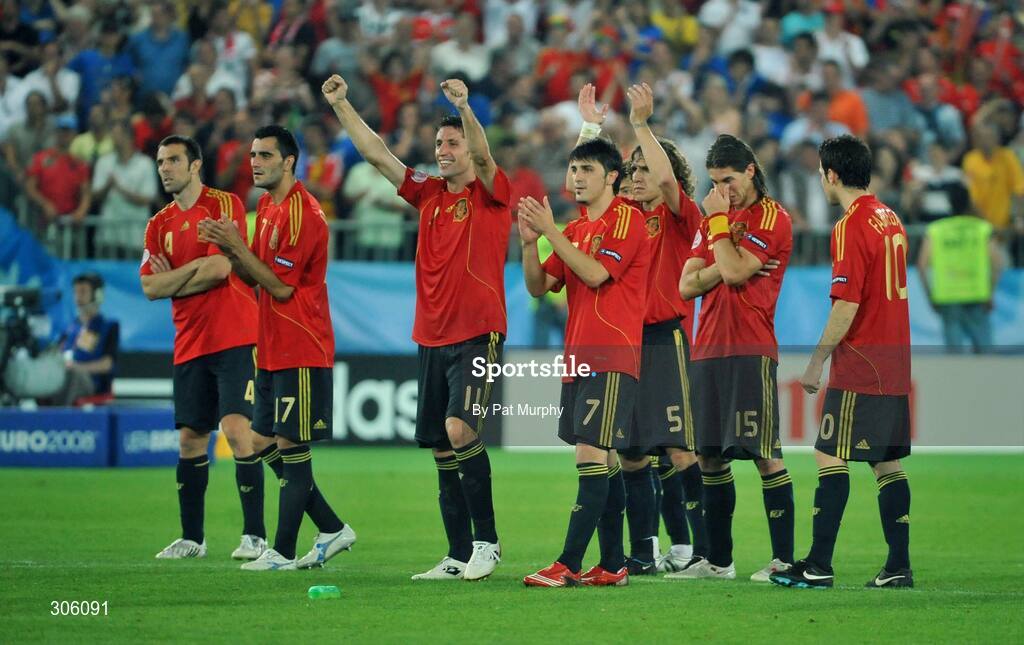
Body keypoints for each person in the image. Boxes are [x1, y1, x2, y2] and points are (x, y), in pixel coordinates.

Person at [322, 74, 508, 581]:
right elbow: (379, 156)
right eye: (439, 144)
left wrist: (466, 110)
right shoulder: (426, 194)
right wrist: (341, 104)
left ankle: (488, 545)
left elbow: (487, 160)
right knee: (442, 446)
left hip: (478, 332)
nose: (444, 151)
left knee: (459, 427)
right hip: (431, 336)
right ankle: (456, 553)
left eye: (452, 143)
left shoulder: (493, 194)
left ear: (469, 147)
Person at [196, 126, 355, 571]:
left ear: (289, 161)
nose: (255, 162)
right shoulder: (266, 206)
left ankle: (282, 551)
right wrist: (235, 250)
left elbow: (282, 287)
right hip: (269, 344)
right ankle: (331, 527)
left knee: (289, 442)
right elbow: (254, 277)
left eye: (265, 155)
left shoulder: (303, 212)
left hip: (301, 343)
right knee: (262, 437)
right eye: (252, 154)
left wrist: (234, 246)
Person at [771, 135, 914, 589]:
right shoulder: (890, 218)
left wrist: (815, 363)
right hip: (894, 361)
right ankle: (897, 567)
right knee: (886, 463)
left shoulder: (850, 225)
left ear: (831, 175)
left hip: (862, 361)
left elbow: (846, 305)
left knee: (828, 454)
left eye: (820, 172)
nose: (820, 178)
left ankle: (818, 564)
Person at [521, 137, 651, 588]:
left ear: (611, 176)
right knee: (605, 458)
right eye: (572, 169)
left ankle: (568, 563)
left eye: (586, 170)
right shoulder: (575, 230)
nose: (575, 178)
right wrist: (528, 244)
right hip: (578, 356)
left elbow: (597, 274)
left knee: (590, 455)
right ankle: (614, 564)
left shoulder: (627, 219)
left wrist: (551, 232)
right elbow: (540, 288)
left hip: (612, 354)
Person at [142, 135, 268, 562]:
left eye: (174, 160)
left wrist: (176, 277)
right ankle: (192, 539)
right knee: (190, 440)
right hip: (189, 342)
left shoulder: (223, 204)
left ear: (194, 165)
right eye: (161, 161)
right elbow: (147, 287)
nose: (165, 168)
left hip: (235, 334)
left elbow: (218, 269)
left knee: (237, 430)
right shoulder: (157, 224)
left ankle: (255, 536)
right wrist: (191, 272)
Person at [677, 134, 795, 582]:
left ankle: (783, 561)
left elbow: (733, 271)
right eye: (714, 183)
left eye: (728, 180)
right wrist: (724, 259)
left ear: (750, 169)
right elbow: (687, 286)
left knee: (765, 455)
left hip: (750, 349)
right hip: (706, 348)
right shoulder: (714, 219)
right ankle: (719, 562)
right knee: (709, 457)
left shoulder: (771, 217)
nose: (723, 191)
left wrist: (721, 231)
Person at [621, 82, 711, 576]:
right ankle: (645, 549)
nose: (636, 177)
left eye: (644, 169)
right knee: (633, 451)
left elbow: (670, 186)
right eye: (632, 169)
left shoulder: (682, 219)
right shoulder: (625, 221)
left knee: (678, 448)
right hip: (626, 342)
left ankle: (704, 549)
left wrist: (640, 123)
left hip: (665, 339)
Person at [917, 188, 1004, 353]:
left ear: (949, 204)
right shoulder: (982, 228)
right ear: (968, 203)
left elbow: (921, 266)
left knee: (955, 359)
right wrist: (990, 292)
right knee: (987, 357)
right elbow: (998, 263)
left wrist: (930, 295)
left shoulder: (936, 230)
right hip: (977, 296)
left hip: (948, 298)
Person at [51, 273, 119, 406]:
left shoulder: (108, 327)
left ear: (97, 295)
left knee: (72, 376)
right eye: (75, 292)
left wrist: (77, 367)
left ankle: (59, 419)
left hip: (91, 382)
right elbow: (57, 353)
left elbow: (107, 364)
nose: (78, 297)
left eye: (83, 292)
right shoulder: (70, 328)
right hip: (65, 374)